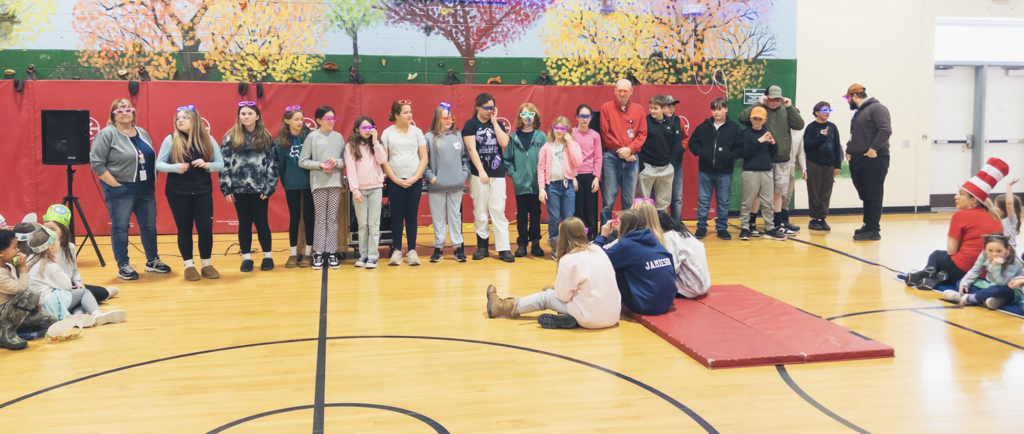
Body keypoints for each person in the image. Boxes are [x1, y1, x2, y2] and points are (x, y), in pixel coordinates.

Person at [485, 218, 620, 329]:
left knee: (546, 296)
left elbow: (562, 296)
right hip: (614, 315)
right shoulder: (597, 249)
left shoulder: (569, 259)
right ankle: (568, 318)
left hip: (591, 318)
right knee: (553, 290)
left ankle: (501, 307)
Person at [89, 98, 170, 280]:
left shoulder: (141, 132)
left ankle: (152, 261)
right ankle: (123, 265)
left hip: (145, 188)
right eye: (119, 110)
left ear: (133, 113)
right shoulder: (107, 133)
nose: (124, 113)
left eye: (128, 109)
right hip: (121, 188)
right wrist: (115, 184)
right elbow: (96, 163)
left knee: (149, 226)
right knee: (120, 227)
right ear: (113, 115)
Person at [907, 159, 1006, 290]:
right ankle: (940, 275)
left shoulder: (960, 216)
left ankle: (930, 273)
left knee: (937, 255)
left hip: (963, 270)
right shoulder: (996, 218)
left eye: (961, 194)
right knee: (950, 262)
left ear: (973, 200)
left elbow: (951, 250)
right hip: (985, 274)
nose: (955, 197)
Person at [156, 105, 224, 280]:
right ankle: (189, 266)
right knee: (184, 228)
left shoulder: (208, 139)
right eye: (177, 118)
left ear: (195, 120)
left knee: (205, 229)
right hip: (177, 192)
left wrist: (207, 165)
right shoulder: (171, 140)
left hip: (202, 191)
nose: (180, 120)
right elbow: (159, 164)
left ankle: (206, 265)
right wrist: (175, 167)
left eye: (184, 117)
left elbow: (221, 164)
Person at [22, 225, 126, 326]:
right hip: (49, 303)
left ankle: (77, 317)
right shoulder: (49, 266)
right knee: (84, 293)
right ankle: (97, 314)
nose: (60, 242)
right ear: (51, 247)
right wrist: (56, 265)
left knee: (77, 301)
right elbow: (66, 285)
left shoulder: (29, 260)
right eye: (58, 240)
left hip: (37, 303)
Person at [220, 102, 279, 272]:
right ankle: (246, 257)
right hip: (239, 189)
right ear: (239, 116)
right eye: (243, 113)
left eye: (249, 113)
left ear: (257, 116)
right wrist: (226, 188)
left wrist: (269, 187)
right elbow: (224, 165)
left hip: (260, 189)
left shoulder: (266, 138)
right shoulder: (230, 137)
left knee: (262, 222)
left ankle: (267, 256)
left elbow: (272, 164)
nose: (246, 116)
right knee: (244, 223)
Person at [738, 85, 805, 235]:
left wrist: (789, 107)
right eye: (771, 99)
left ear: (781, 99)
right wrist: (758, 103)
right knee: (756, 194)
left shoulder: (785, 110)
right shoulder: (760, 110)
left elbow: (799, 125)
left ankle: (777, 223)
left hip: (782, 159)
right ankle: (751, 223)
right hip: (764, 159)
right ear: (766, 97)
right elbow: (742, 118)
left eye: (777, 99)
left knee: (777, 193)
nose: (774, 102)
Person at [593, 209, 676, 315]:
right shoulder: (654, 239)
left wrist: (602, 236)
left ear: (625, 225)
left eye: (617, 223)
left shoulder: (626, 245)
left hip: (645, 304)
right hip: (667, 301)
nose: (615, 226)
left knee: (612, 266)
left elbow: (595, 258)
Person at [463, 93, 514, 262]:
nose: (489, 111)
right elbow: (471, 149)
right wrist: (481, 170)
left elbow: (504, 143)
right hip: (479, 174)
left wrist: (494, 122)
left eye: (492, 108)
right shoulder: (471, 125)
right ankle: (482, 246)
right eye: (486, 108)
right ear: (477, 107)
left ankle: (503, 248)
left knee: (498, 210)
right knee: (480, 210)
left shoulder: (497, 123)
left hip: (497, 173)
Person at [381, 100, 428, 267]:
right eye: (406, 112)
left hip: (413, 180)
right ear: (396, 115)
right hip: (395, 181)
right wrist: (394, 179)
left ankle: (412, 250)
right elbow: (384, 159)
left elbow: (424, 157)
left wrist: (415, 178)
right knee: (397, 216)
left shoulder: (417, 132)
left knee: (411, 216)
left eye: (411, 111)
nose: (410, 115)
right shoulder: (387, 133)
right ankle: (396, 250)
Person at [299, 106, 346, 270]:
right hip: (318, 184)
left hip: (335, 183)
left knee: (332, 219)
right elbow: (302, 161)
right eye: (328, 118)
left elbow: (345, 160)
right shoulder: (312, 137)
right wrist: (319, 165)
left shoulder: (339, 137)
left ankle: (332, 252)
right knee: (320, 219)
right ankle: (318, 252)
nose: (331, 121)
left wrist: (336, 163)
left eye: (334, 118)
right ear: (318, 120)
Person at [689, 97, 743, 240]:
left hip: (724, 172)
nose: (716, 112)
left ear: (726, 109)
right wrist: (702, 152)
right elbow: (693, 143)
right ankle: (701, 227)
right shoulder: (703, 127)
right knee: (704, 201)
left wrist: (729, 155)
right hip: (705, 171)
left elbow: (741, 147)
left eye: (719, 109)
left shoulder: (734, 128)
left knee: (723, 201)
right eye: (714, 109)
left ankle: (722, 228)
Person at [843, 84, 892, 241]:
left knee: (873, 195)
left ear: (855, 96)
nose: (847, 100)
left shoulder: (877, 108)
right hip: (858, 159)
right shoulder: (860, 112)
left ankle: (873, 229)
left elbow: (886, 130)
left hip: (873, 159)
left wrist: (873, 149)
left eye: (847, 97)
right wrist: (849, 150)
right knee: (865, 195)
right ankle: (868, 225)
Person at [42, 205, 119, 301]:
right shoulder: (41, 248)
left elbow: (74, 270)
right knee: (80, 299)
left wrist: (79, 283)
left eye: (53, 229)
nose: (48, 232)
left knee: (98, 292)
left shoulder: (71, 248)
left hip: (70, 286)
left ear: (64, 230)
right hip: (53, 289)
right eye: (45, 229)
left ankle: (104, 293)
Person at [424, 103, 469, 263]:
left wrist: (463, 174)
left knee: (455, 217)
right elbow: (424, 161)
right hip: (436, 186)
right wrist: (431, 177)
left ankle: (458, 247)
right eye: (445, 117)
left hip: (456, 185)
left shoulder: (458, 135)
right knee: (438, 218)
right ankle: (439, 247)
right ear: (438, 118)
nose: (449, 120)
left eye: (451, 117)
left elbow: (465, 159)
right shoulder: (428, 137)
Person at [599, 79, 648, 224]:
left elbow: (642, 134)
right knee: (608, 201)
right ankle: (605, 235)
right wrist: (623, 151)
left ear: (631, 92)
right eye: (619, 90)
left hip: (632, 160)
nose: (622, 94)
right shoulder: (606, 108)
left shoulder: (639, 110)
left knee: (628, 202)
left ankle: (627, 233)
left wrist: (629, 150)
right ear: (614, 91)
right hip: (611, 158)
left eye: (625, 91)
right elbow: (605, 133)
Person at [0, 229, 57, 350]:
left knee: (51, 319)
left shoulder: (9, 266)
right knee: (32, 294)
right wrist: (23, 266)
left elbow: (19, 294)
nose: (18, 250)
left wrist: (31, 305)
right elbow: (22, 290)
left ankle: (14, 329)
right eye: (15, 247)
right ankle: (6, 334)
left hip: (11, 314)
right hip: (2, 315)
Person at [504, 102, 547, 258]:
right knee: (521, 214)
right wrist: (514, 175)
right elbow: (507, 160)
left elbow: (547, 159)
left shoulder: (541, 136)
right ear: (520, 117)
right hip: (520, 183)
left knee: (536, 213)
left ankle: (536, 242)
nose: (527, 117)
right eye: (523, 114)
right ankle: (522, 243)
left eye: (530, 114)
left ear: (534, 116)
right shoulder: (513, 137)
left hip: (537, 183)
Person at [344, 116, 387, 270]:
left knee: (374, 224)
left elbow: (382, 160)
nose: (368, 131)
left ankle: (373, 257)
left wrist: (376, 142)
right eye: (364, 128)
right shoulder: (350, 146)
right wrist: (355, 190)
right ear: (357, 129)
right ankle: (363, 255)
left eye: (370, 127)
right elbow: (351, 170)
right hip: (360, 190)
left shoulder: (376, 144)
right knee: (363, 225)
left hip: (376, 188)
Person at [275, 105, 315, 268]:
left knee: (308, 217)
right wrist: (287, 183)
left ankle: (308, 253)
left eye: (301, 119)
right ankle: (293, 254)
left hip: (309, 184)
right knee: (294, 218)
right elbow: (281, 167)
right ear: (287, 121)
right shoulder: (281, 142)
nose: (300, 122)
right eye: (296, 119)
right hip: (292, 184)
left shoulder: (310, 137)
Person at [538, 116, 582, 260]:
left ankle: (569, 246)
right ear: (552, 128)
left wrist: (570, 143)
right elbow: (541, 168)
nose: (559, 131)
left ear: (568, 131)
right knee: (554, 218)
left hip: (567, 185)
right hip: (552, 187)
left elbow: (578, 162)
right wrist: (541, 188)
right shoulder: (546, 147)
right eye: (556, 127)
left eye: (563, 128)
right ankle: (556, 247)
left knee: (569, 217)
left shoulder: (572, 145)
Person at [738, 107, 785, 241]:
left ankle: (769, 228)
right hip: (750, 171)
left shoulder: (767, 132)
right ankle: (745, 228)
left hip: (766, 171)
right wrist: (759, 141)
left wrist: (773, 143)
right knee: (748, 201)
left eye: (760, 119)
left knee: (768, 202)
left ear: (765, 120)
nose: (757, 121)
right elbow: (745, 153)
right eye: (755, 118)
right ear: (751, 118)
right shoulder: (746, 133)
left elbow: (773, 152)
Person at [944, 234, 1024, 309]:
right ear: (985, 249)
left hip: (1010, 290)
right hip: (989, 285)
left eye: (999, 251)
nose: (994, 254)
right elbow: (975, 270)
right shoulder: (984, 255)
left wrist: (996, 266)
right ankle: (990, 300)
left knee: (996, 290)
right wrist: (965, 282)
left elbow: (1001, 283)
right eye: (990, 250)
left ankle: (966, 299)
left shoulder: (1013, 262)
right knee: (961, 282)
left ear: (1007, 249)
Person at [803, 101, 843, 231]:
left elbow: (837, 147)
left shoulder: (833, 127)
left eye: (829, 110)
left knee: (826, 192)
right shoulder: (811, 127)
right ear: (816, 112)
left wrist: (838, 165)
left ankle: (822, 218)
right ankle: (814, 218)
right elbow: (806, 146)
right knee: (814, 191)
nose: (827, 113)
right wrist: (820, 137)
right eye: (824, 110)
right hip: (814, 163)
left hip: (829, 164)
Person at [657, 211, 710, 298]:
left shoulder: (669, 237)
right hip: (703, 285)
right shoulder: (684, 233)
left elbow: (670, 269)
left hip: (689, 289)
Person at [637, 95, 676, 212]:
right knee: (642, 202)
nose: (652, 111)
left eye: (655, 108)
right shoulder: (645, 122)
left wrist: (671, 162)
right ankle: (643, 227)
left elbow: (675, 144)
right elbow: (639, 142)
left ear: (663, 108)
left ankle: (661, 227)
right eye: (651, 108)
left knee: (663, 203)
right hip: (648, 166)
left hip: (665, 167)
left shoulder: (670, 123)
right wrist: (642, 165)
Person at [571, 105, 602, 240]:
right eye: (582, 116)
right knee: (578, 209)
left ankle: (590, 237)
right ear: (577, 117)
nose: (584, 120)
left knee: (590, 209)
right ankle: (579, 237)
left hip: (590, 176)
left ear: (591, 118)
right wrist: (572, 176)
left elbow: (598, 157)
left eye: (587, 116)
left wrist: (596, 178)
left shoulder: (595, 135)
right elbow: (568, 157)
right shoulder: (571, 134)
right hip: (576, 176)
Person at [662, 95, 690, 222]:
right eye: (668, 106)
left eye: (673, 106)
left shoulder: (679, 121)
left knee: (677, 198)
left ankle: (676, 224)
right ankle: (660, 224)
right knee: (660, 198)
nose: (671, 108)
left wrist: (681, 148)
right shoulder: (654, 121)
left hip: (676, 165)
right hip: (659, 166)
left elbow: (685, 137)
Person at [991, 178, 1020, 249]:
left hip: (1009, 252)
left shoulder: (1010, 220)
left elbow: (1009, 203)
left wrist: (1009, 186)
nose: (994, 208)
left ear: (1005, 209)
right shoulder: (997, 220)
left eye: (997, 206)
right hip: (998, 250)